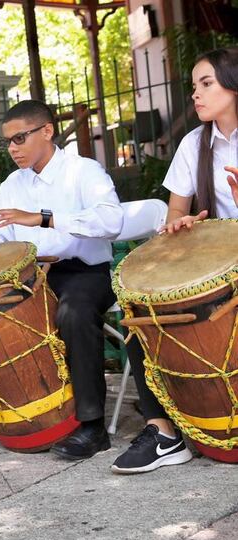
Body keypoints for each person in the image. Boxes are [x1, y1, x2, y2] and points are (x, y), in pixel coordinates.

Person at [0, 99, 123, 460]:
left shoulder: (84, 171)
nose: (12, 148)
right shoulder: (11, 184)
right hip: (33, 275)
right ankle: (9, 415)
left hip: (84, 272)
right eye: (8, 141)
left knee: (73, 311)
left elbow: (111, 221)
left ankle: (92, 426)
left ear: (47, 131)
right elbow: (4, 238)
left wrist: (43, 218)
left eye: (20, 138)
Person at [110, 48, 238, 473]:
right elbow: (175, 214)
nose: (196, 96)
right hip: (217, 265)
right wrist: (181, 225)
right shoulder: (193, 144)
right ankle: (164, 432)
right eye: (194, 87)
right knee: (138, 313)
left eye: (207, 84)